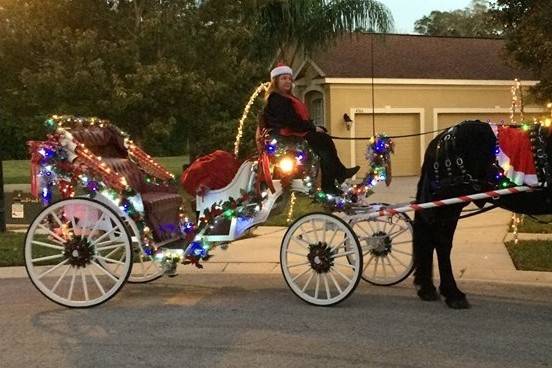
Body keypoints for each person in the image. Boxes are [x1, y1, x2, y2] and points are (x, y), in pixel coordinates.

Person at [261, 63, 359, 194]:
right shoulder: (276, 99)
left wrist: (315, 127)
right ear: (276, 81)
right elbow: (291, 121)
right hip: (285, 136)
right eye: (283, 78)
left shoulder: (288, 98)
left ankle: (337, 175)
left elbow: (300, 118)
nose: (288, 81)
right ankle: (332, 180)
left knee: (324, 141)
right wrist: (313, 128)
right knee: (322, 143)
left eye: (289, 79)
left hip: (295, 131)